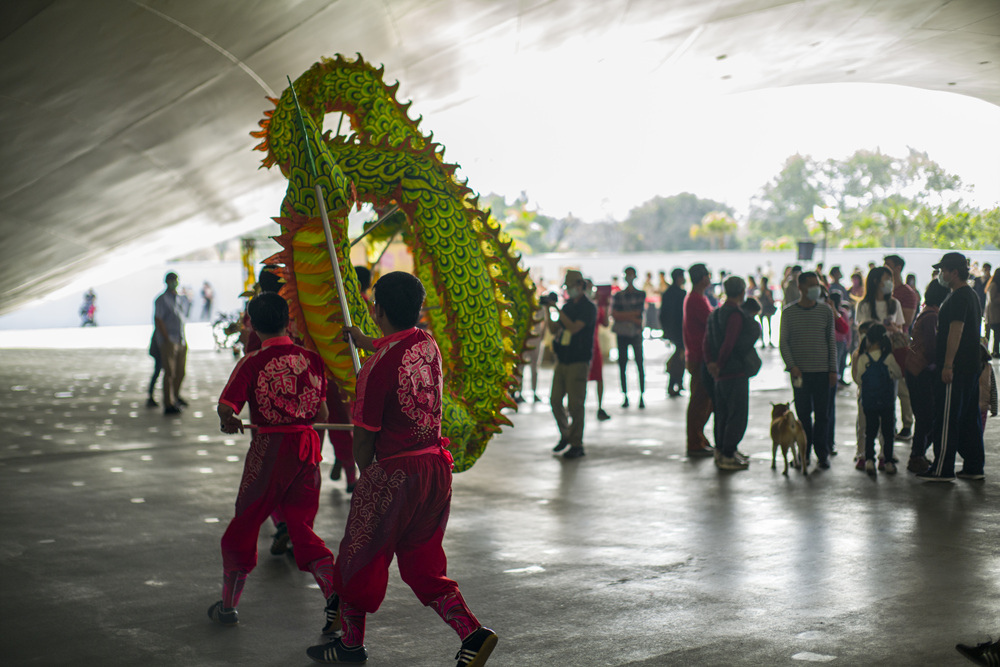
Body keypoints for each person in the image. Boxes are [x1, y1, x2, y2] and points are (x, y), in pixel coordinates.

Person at [308, 272, 497, 666]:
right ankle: (472, 633)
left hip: (396, 475)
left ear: (376, 310)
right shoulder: (427, 344)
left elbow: (363, 443)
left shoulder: (375, 369)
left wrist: (369, 479)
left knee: (358, 558)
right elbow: (397, 346)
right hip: (434, 470)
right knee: (422, 562)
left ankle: (351, 646)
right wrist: (366, 341)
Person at [209, 292, 337, 633]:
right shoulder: (312, 360)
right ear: (289, 321)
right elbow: (322, 414)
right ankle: (334, 595)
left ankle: (228, 606)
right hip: (306, 450)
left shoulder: (251, 362)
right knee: (302, 528)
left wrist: (229, 421)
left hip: (268, 450)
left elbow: (226, 409)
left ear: (251, 323)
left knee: (245, 523)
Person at [918, 252, 985, 482]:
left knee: (947, 418)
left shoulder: (958, 298)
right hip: (970, 366)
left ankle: (942, 468)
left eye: (943, 270)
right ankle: (974, 466)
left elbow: (955, 331)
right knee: (968, 417)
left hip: (956, 368)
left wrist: (947, 364)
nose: (940, 275)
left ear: (954, 272)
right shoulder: (970, 295)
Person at [779, 271, 837, 470]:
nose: (816, 288)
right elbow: (783, 343)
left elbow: (831, 342)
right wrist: (792, 366)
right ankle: (804, 453)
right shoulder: (788, 312)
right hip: (800, 374)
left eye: (817, 284)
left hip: (822, 372)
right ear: (801, 287)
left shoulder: (825, 311)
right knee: (803, 416)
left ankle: (822, 453)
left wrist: (833, 370)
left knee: (822, 415)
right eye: (812, 284)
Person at [705, 276, 761, 471]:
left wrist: (711, 364)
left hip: (718, 375)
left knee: (721, 415)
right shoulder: (736, 315)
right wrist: (720, 363)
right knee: (737, 415)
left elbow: (706, 341)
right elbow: (730, 343)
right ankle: (728, 454)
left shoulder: (715, 313)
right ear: (742, 291)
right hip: (734, 372)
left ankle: (722, 451)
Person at [546, 270, 597, 459]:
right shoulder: (566, 307)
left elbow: (574, 328)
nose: (569, 291)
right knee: (555, 400)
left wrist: (557, 309)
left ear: (580, 286)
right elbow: (553, 329)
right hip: (563, 359)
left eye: (571, 287)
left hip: (578, 361)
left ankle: (577, 443)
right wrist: (548, 308)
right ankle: (566, 434)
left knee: (575, 404)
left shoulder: (588, 308)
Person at [904, 280, 950, 473]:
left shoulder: (927, 313)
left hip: (916, 370)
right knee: (926, 416)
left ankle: (919, 454)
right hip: (921, 372)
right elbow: (932, 349)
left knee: (924, 416)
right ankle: (916, 456)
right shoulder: (932, 316)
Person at [853, 324, 903, 476]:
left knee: (870, 431)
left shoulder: (863, 358)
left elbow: (858, 379)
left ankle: (869, 460)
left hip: (869, 402)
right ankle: (887, 461)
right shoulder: (888, 357)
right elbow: (899, 374)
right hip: (886, 402)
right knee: (887, 432)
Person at [884, 255, 920, 441]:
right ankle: (889, 424)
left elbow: (905, 321)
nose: (886, 268)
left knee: (903, 388)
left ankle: (907, 424)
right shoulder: (884, 291)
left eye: (888, 265)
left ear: (898, 267)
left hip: (899, 343)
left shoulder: (907, 293)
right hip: (882, 343)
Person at [682, 263, 715, 457]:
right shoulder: (696, 300)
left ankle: (699, 438)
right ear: (703, 278)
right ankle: (694, 442)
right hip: (699, 356)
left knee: (703, 401)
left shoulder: (696, 298)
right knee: (699, 402)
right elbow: (712, 321)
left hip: (698, 355)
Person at [153, 272, 188, 415]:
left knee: (181, 372)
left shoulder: (178, 299)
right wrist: (167, 338)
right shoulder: (161, 300)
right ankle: (168, 402)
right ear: (166, 282)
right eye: (172, 280)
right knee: (169, 373)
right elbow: (158, 319)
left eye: (176, 280)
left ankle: (176, 396)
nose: (174, 283)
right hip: (169, 341)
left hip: (180, 339)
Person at [612, 266, 646, 408]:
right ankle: (625, 395)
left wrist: (625, 316)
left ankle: (641, 395)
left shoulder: (640, 294)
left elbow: (638, 313)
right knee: (623, 364)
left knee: (639, 364)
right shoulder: (618, 295)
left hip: (636, 334)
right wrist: (631, 316)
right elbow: (615, 315)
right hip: (623, 335)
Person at [660, 268, 687, 397]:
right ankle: (674, 384)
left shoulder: (667, 293)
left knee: (679, 357)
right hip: (680, 331)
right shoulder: (681, 294)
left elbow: (662, 315)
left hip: (672, 331)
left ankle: (677, 383)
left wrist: (666, 331)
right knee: (679, 357)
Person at [587, 281, 611, 421]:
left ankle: (600, 406)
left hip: (595, 346)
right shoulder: (583, 306)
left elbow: (605, 323)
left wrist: (606, 307)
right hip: (583, 347)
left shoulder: (596, 307)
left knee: (599, 377)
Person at [757, 276, 777, 348]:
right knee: (769, 325)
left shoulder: (760, 292)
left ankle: (764, 342)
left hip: (763, 310)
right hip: (767, 309)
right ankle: (768, 341)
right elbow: (771, 300)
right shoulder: (767, 291)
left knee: (763, 326)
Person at [985, 267, 1000, 357]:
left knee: (996, 334)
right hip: (993, 314)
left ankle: (995, 351)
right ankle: (993, 352)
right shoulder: (994, 285)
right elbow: (992, 300)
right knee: (995, 334)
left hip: (995, 314)